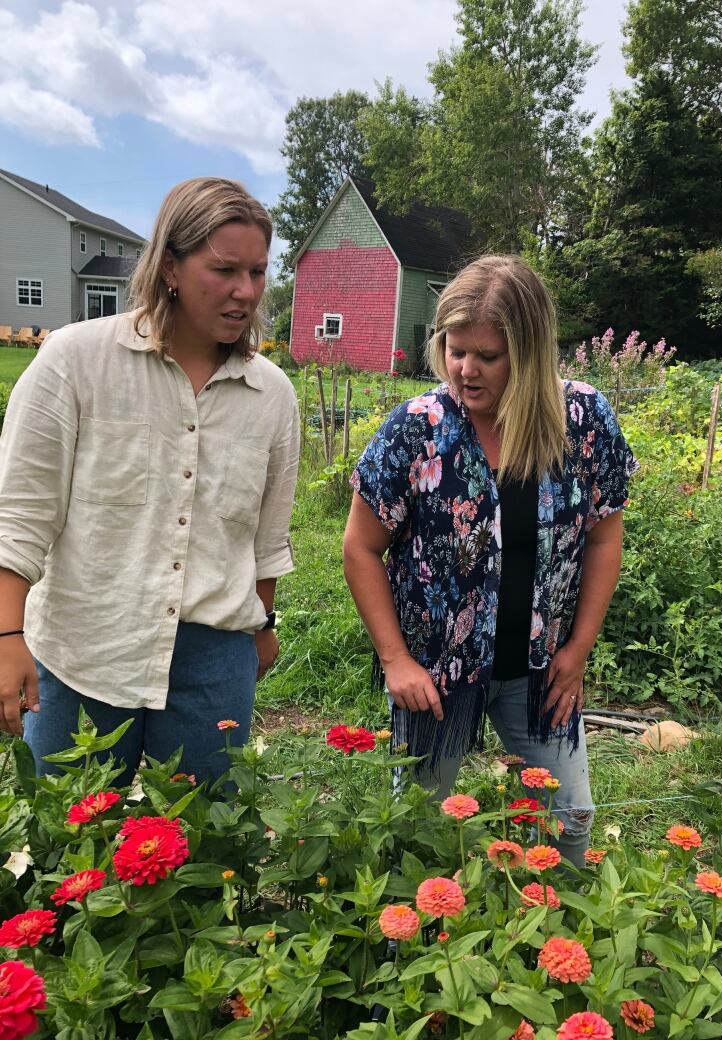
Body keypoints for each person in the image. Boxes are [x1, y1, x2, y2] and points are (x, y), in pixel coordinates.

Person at [0, 177, 299, 786]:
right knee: (65, 852)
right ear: (169, 266)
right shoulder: (74, 362)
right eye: (224, 270)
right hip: (85, 649)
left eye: (258, 272)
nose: (245, 291)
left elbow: (267, 538)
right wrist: (7, 635)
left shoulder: (272, 394)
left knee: (204, 855)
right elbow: (19, 518)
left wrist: (260, 631)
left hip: (214, 665)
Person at [343, 255, 637, 866]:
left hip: (539, 672)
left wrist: (578, 651)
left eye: (487, 356)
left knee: (573, 819)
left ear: (529, 355)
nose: (465, 370)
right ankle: (407, 949)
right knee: (415, 831)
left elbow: (604, 539)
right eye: (454, 349)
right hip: (435, 677)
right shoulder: (418, 429)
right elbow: (360, 547)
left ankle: (557, 944)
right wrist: (395, 659)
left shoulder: (580, 421)